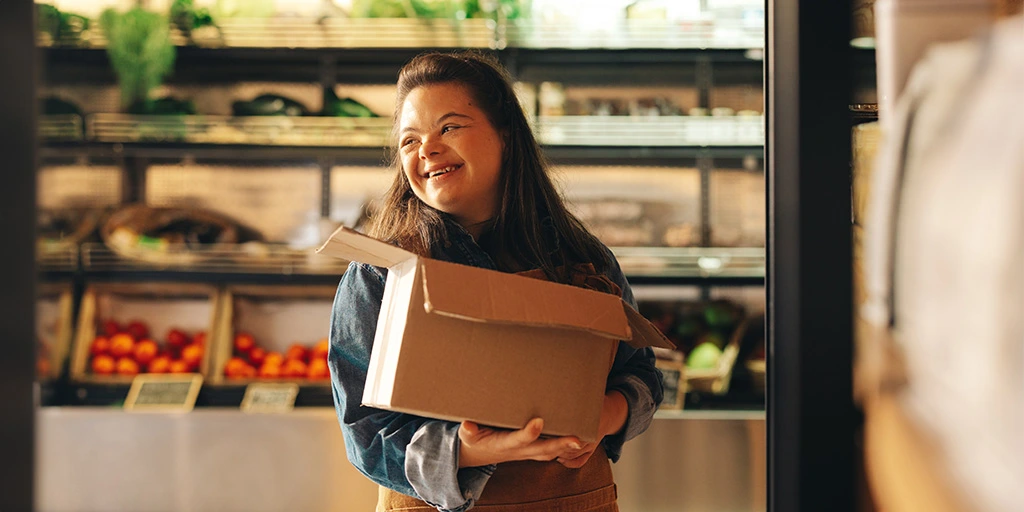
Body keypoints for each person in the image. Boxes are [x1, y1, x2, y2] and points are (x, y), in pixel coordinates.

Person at [328, 51, 664, 512]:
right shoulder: (381, 272)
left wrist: (601, 417)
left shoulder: (582, 259)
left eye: (449, 127)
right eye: (410, 140)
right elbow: (365, 433)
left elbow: (640, 375)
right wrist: (474, 450)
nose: (426, 149)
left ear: (505, 134)